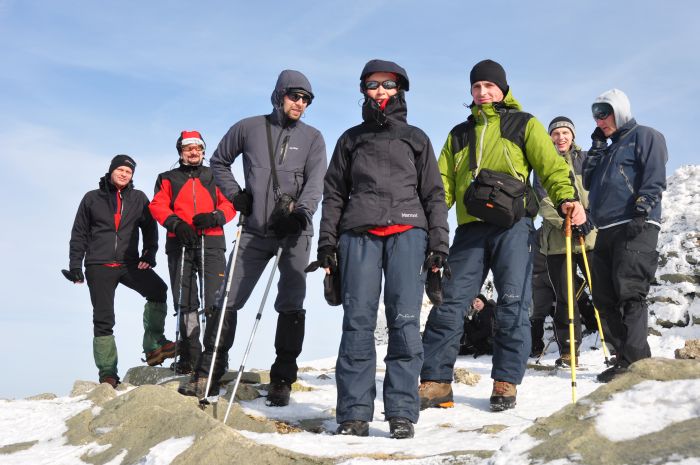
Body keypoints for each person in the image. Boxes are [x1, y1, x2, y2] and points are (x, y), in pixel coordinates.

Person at [419, 59, 586, 412]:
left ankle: (506, 381)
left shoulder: (523, 124)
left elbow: (551, 166)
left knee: (512, 302)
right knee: (450, 301)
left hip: (514, 226)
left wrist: (567, 199)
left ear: (503, 89)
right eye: (476, 87)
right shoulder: (458, 134)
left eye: (489, 86)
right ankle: (436, 381)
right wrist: (429, 220)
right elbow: (442, 184)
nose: (482, 92)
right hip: (470, 229)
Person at [317, 59, 449, 439]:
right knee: (357, 322)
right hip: (358, 234)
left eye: (388, 85)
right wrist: (327, 243)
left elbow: (434, 195)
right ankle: (354, 414)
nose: (380, 91)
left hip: (409, 233)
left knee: (404, 321)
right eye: (373, 84)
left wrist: (439, 244)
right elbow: (334, 194)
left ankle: (402, 412)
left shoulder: (416, 138)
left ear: (399, 90)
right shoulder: (350, 139)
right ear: (363, 90)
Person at [178, 70, 327, 406]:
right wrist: (235, 195)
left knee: (291, 302)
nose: (300, 103)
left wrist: (301, 215)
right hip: (255, 230)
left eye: (306, 99)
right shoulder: (248, 127)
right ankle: (208, 372)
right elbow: (219, 162)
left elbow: (316, 183)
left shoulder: (314, 138)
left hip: (294, 232)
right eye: (294, 96)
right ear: (279, 95)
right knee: (226, 297)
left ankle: (282, 379)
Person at [65, 155, 174, 388]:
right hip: (98, 265)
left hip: (129, 263)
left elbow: (150, 229)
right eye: (121, 170)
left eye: (129, 171)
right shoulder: (92, 198)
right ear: (112, 170)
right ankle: (108, 373)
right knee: (103, 319)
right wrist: (76, 265)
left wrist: (149, 255)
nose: (124, 174)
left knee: (158, 290)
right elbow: (79, 233)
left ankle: (154, 345)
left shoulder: (139, 198)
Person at [582, 88, 667, 383]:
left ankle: (636, 363)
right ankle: (625, 359)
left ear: (619, 110)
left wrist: (643, 207)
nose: (599, 120)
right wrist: (596, 147)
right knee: (604, 297)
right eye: (595, 115)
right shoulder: (607, 149)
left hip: (636, 223)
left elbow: (654, 174)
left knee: (630, 292)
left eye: (604, 113)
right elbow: (588, 181)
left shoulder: (645, 135)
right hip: (605, 228)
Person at [149, 131, 236, 374]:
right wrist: (176, 224)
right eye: (188, 148)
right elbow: (157, 205)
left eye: (197, 147)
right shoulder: (167, 178)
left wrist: (215, 217)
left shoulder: (215, 175)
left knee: (215, 300)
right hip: (180, 243)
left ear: (203, 151)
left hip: (212, 242)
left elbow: (230, 204)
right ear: (180, 152)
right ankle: (191, 357)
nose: (193, 151)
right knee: (185, 302)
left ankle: (217, 357)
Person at [534, 116, 597, 366]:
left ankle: (616, 344)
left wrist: (587, 217)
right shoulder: (543, 163)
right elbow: (543, 201)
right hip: (558, 243)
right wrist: (566, 222)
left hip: (589, 238)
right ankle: (569, 350)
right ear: (550, 137)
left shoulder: (586, 159)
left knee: (602, 291)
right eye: (555, 133)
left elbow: (597, 191)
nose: (560, 137)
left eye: (565, 133)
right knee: (565, 297)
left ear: (572, 135)